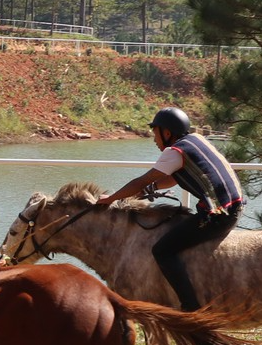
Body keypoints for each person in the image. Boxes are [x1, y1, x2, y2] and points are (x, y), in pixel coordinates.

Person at [100, 106, 244, 312]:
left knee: (162, 250)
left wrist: (111, 199)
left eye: (155, 133)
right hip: (233, 207)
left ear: (167, 133)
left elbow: (142, 180)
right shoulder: (195, 141)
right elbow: (171, 178)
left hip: (219, 216)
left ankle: (190, 306)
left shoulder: (174, 151)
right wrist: (149, 190)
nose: (154, 139)